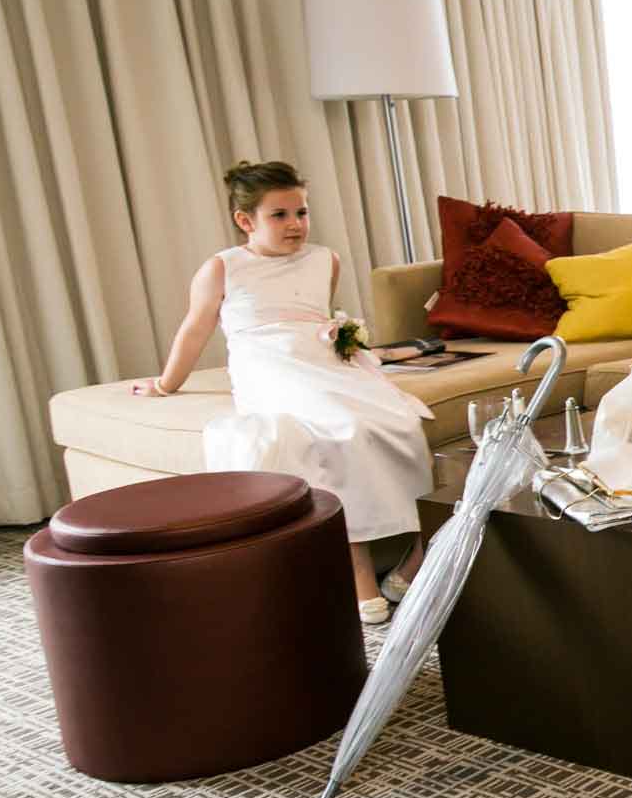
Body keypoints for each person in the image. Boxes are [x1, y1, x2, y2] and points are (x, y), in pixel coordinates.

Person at [136, 161, 433, 624]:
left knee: (402, 422)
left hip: (323, 362)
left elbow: (319, 315)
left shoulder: (325, 258)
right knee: (342, 428)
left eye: (301, 212)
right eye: (280, 215)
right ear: (245, 220)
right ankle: (360, 576)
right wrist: (164, 383)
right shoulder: (222, 268)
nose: (296, 224)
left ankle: (412, 565)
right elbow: (194, 330)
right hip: (270, 366)